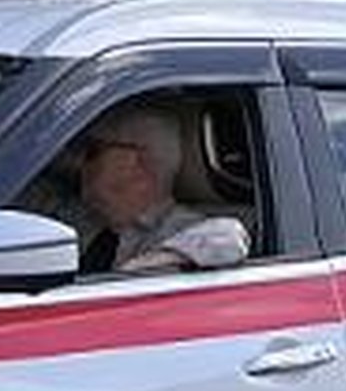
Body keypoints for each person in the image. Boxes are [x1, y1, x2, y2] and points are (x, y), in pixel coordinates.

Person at [63, 100, 251, 278]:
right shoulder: (86, 218)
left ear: (137, 161)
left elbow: (231, 239)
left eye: (93, 151)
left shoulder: (182, 227)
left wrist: (139, 268)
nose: (80, 162)